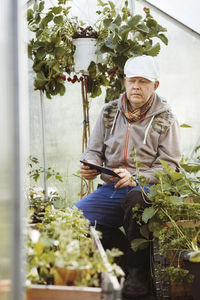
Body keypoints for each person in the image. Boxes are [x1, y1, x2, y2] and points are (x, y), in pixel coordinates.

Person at [74, 55, 181, 299]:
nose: (136, 87)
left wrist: (137, 176)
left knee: (135, 200)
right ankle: (121, 262)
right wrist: (91, 163)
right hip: (112, 187)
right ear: (124, 81)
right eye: (132, 81)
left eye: (143, 82)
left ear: (155, 86)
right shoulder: (110, 112)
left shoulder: (165, 118)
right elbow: (93, 150)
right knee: (76, 221)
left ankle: (138, 274)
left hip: (147, 188)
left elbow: (170, 167)